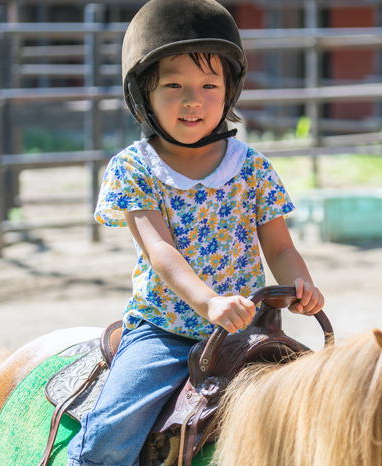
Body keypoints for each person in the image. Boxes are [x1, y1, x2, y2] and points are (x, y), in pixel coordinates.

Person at [66, 0, 324, 465]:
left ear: (229, 91)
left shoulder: (252, 169)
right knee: (109, 434)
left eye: (209, 84)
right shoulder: (134, 169)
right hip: (166, 331)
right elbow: (161, 251)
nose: (193, 100)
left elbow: (281, 247)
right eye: (174, 85)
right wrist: (208, 302)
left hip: (247, 331)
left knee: (319, 410)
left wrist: (300, 284)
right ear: (143, 94)